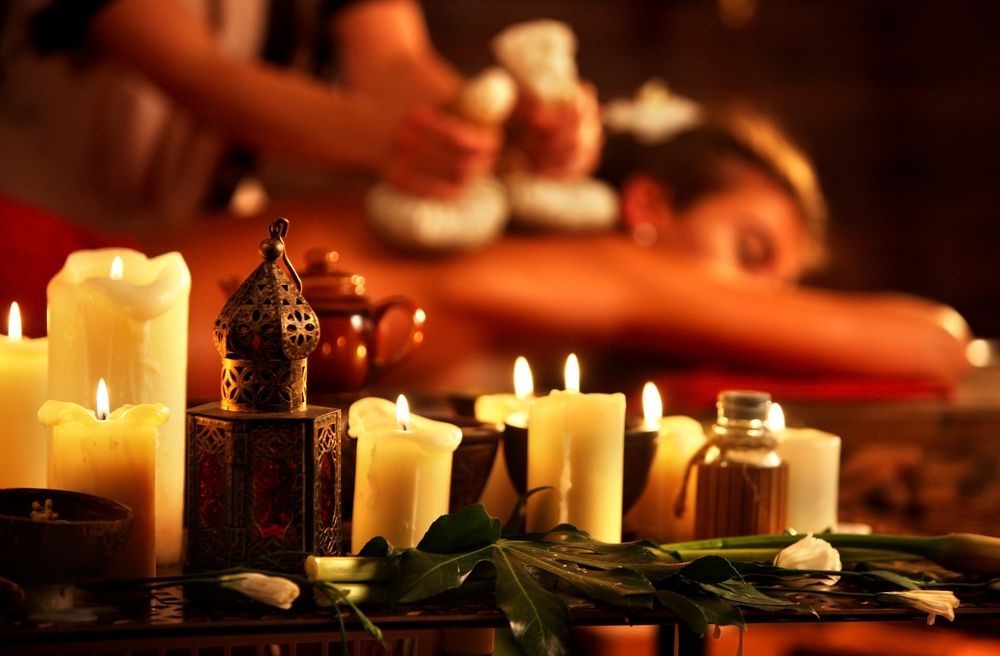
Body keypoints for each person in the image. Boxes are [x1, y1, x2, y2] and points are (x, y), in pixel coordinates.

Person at [173, 100, 970, 400]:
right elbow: (934, 343)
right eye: (750, 252)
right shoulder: (613, 261)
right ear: (649, 208)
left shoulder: (547, 286)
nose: (761, 299)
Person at [0, 0, 600, 230]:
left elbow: (397, 60)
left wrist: (506, 126)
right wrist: (394, 140)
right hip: (41, 230)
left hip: (185, 240)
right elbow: (200, 75)